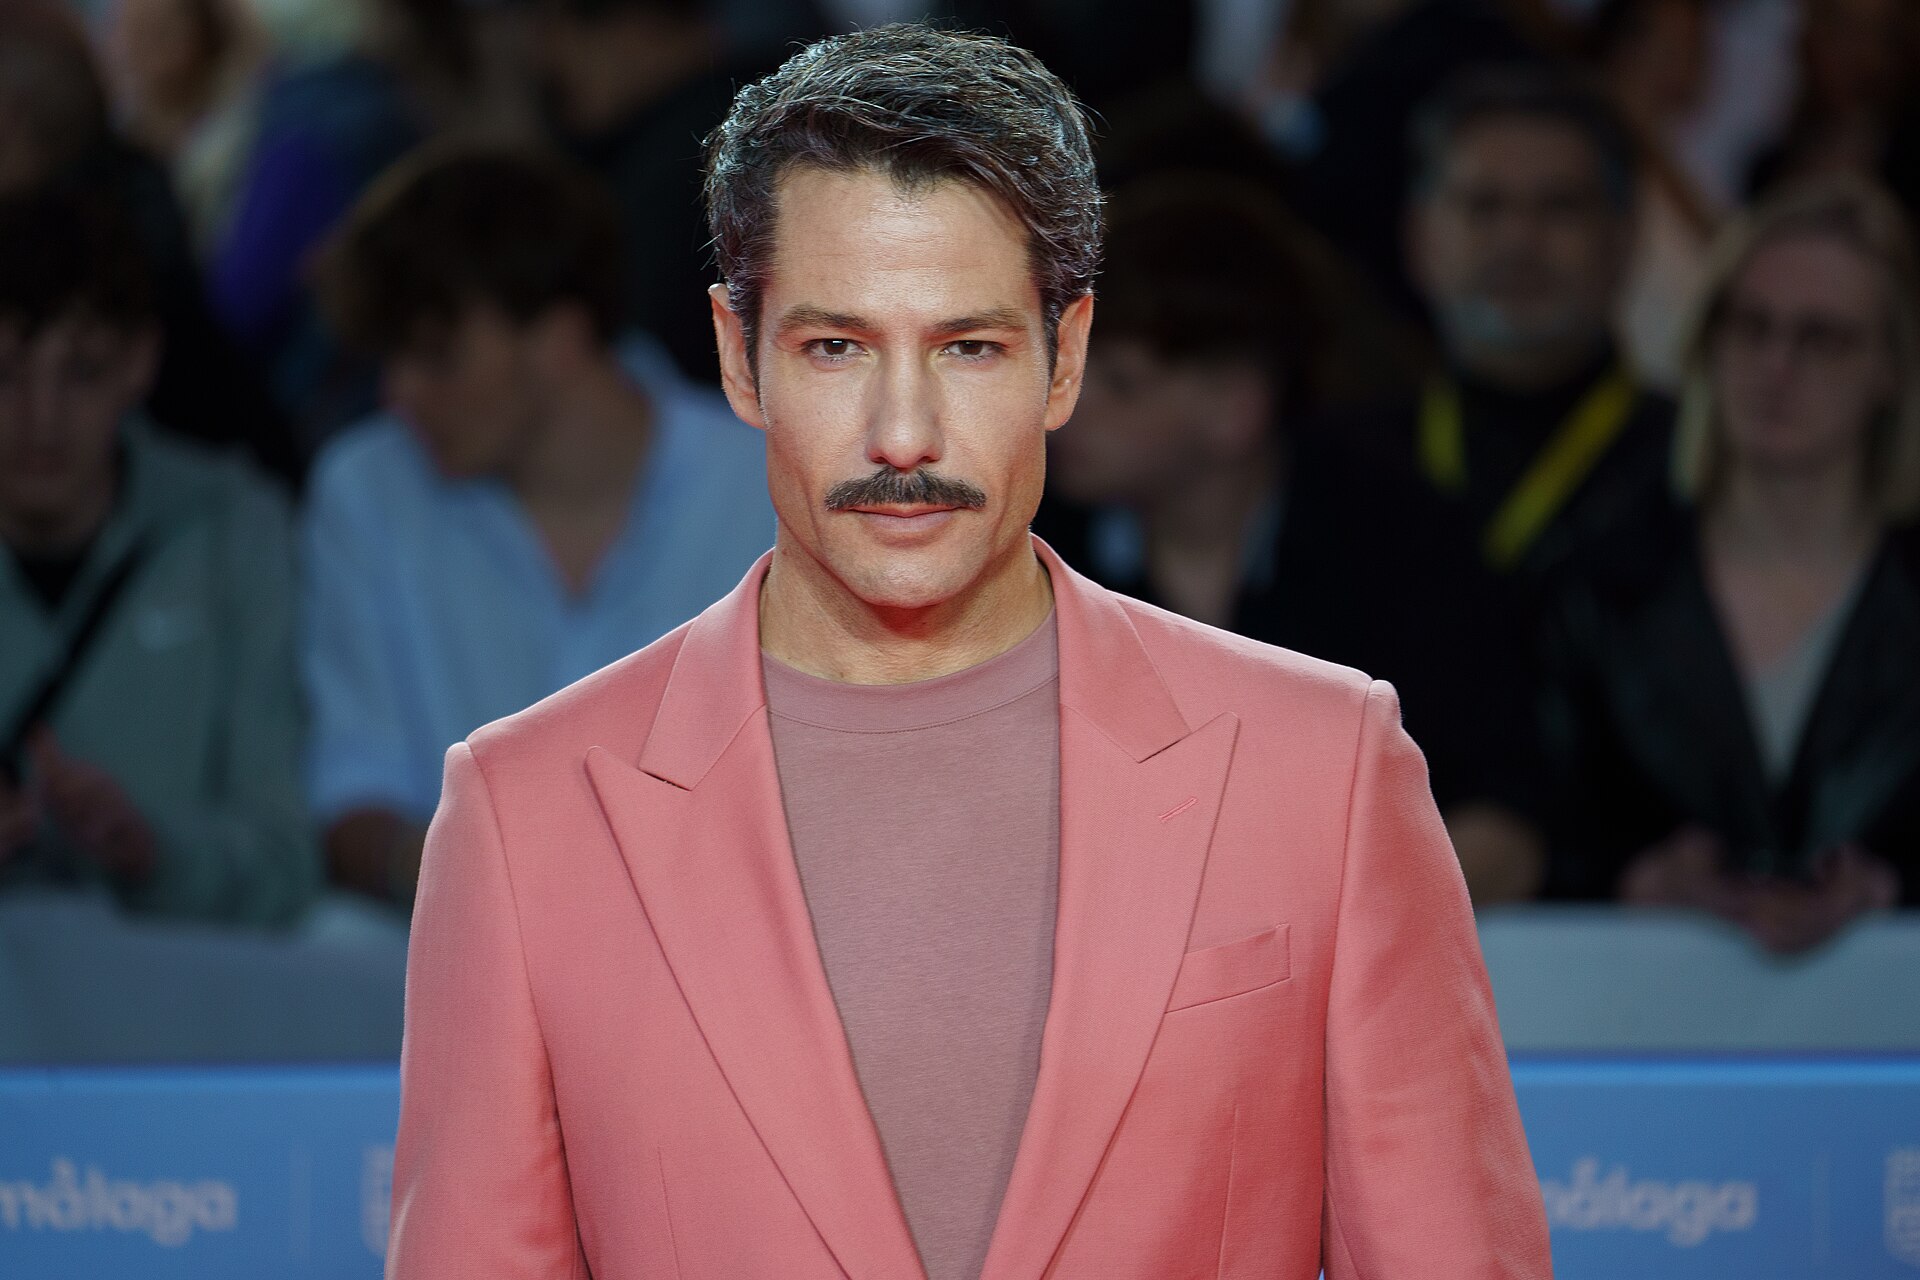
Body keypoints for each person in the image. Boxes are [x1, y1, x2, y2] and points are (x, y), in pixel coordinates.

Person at [386, 24, 1550, 1279]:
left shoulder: (1321, 768)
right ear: (738, 356)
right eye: (836, 346)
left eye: (969, 347)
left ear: (1069, 358)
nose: (904, 431)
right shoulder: (526, 815)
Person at [305, 143, 773, 907]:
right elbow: (353, 788)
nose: (400, 392)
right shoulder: (366, 489)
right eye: (389, 358)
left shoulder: (766, 484)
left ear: (559, 339)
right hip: (440, 970)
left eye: (436, 357)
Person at [1539, 176, 1918, 953]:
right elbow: (1540, 820)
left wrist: (1893, 888)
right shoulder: (1595, 582)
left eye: (1823, 337)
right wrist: (1631, 877)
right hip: (1642, 1022)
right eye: (1751, 327)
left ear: (1892, 366)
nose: (1777, 365)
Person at [0, 187, 317, 925]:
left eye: (81, 371)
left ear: (140, 363)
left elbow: (287, 861)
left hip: (171, 1005)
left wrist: (153, 851)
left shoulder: (236, 528)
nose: (41, 419)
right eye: (5, 374)